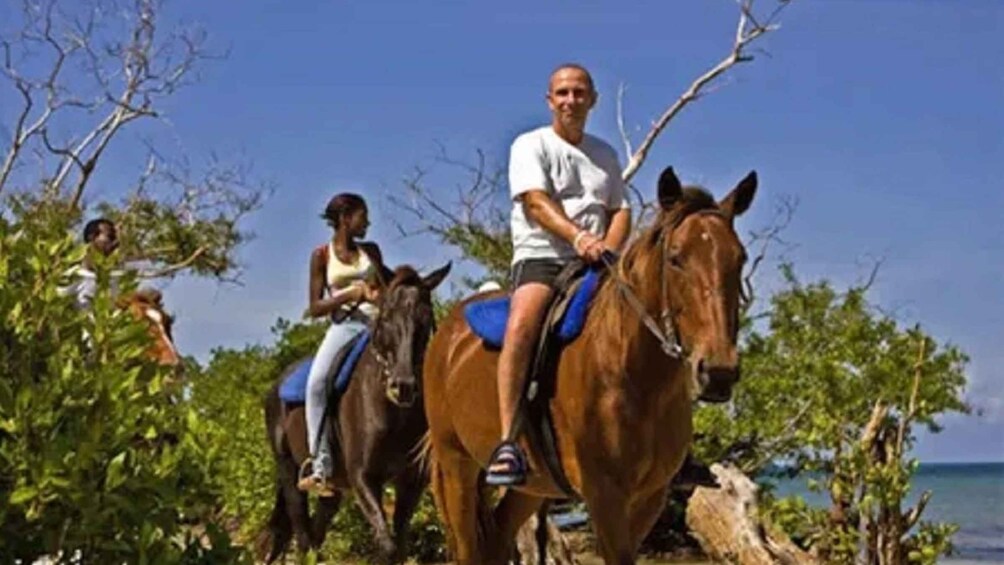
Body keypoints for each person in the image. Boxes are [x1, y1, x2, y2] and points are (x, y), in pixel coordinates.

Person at [486, 63, 633, 486]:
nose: (571, 100)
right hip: (543, 257)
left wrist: (610, 247)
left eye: (579, 93)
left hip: (599, 261)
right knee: (521, 326)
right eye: (563, 93)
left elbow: (619, 209)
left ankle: (675, 446)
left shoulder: (605, 154)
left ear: (593, 100)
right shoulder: (530, 145)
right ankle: (508, 440)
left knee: (655, 319)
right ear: (550, 100)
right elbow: (534, 201)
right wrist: (579, 237)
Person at [297, 192, 391, 496]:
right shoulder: (321, 256)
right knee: (316, 383)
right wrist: (350, 295)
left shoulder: (371, 251)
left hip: (379, 322)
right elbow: (315, 308)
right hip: (346, 326)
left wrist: (381, 294)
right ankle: (321, 465)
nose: (368, 223)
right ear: (345, 219)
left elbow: (388, 284)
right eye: (362, 217)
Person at [59, 218, 120, 310]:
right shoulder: (73, 275)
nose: (115, 242)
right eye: (110, 236)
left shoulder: (117, 277)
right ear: (91, 237)